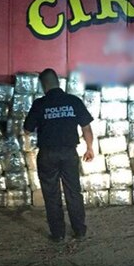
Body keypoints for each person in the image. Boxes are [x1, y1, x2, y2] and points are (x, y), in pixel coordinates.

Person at [23, 68, 94, 242]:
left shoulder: (39, 104)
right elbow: (86, 127)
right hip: (69, 153)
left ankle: (58, 234)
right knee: (73, 192)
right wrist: (89, 147)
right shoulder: (73, 101)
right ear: (58, 82)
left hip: (47, 154)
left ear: (43, 85)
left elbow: (27, 129)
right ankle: (79, 230)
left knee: (51, 194)